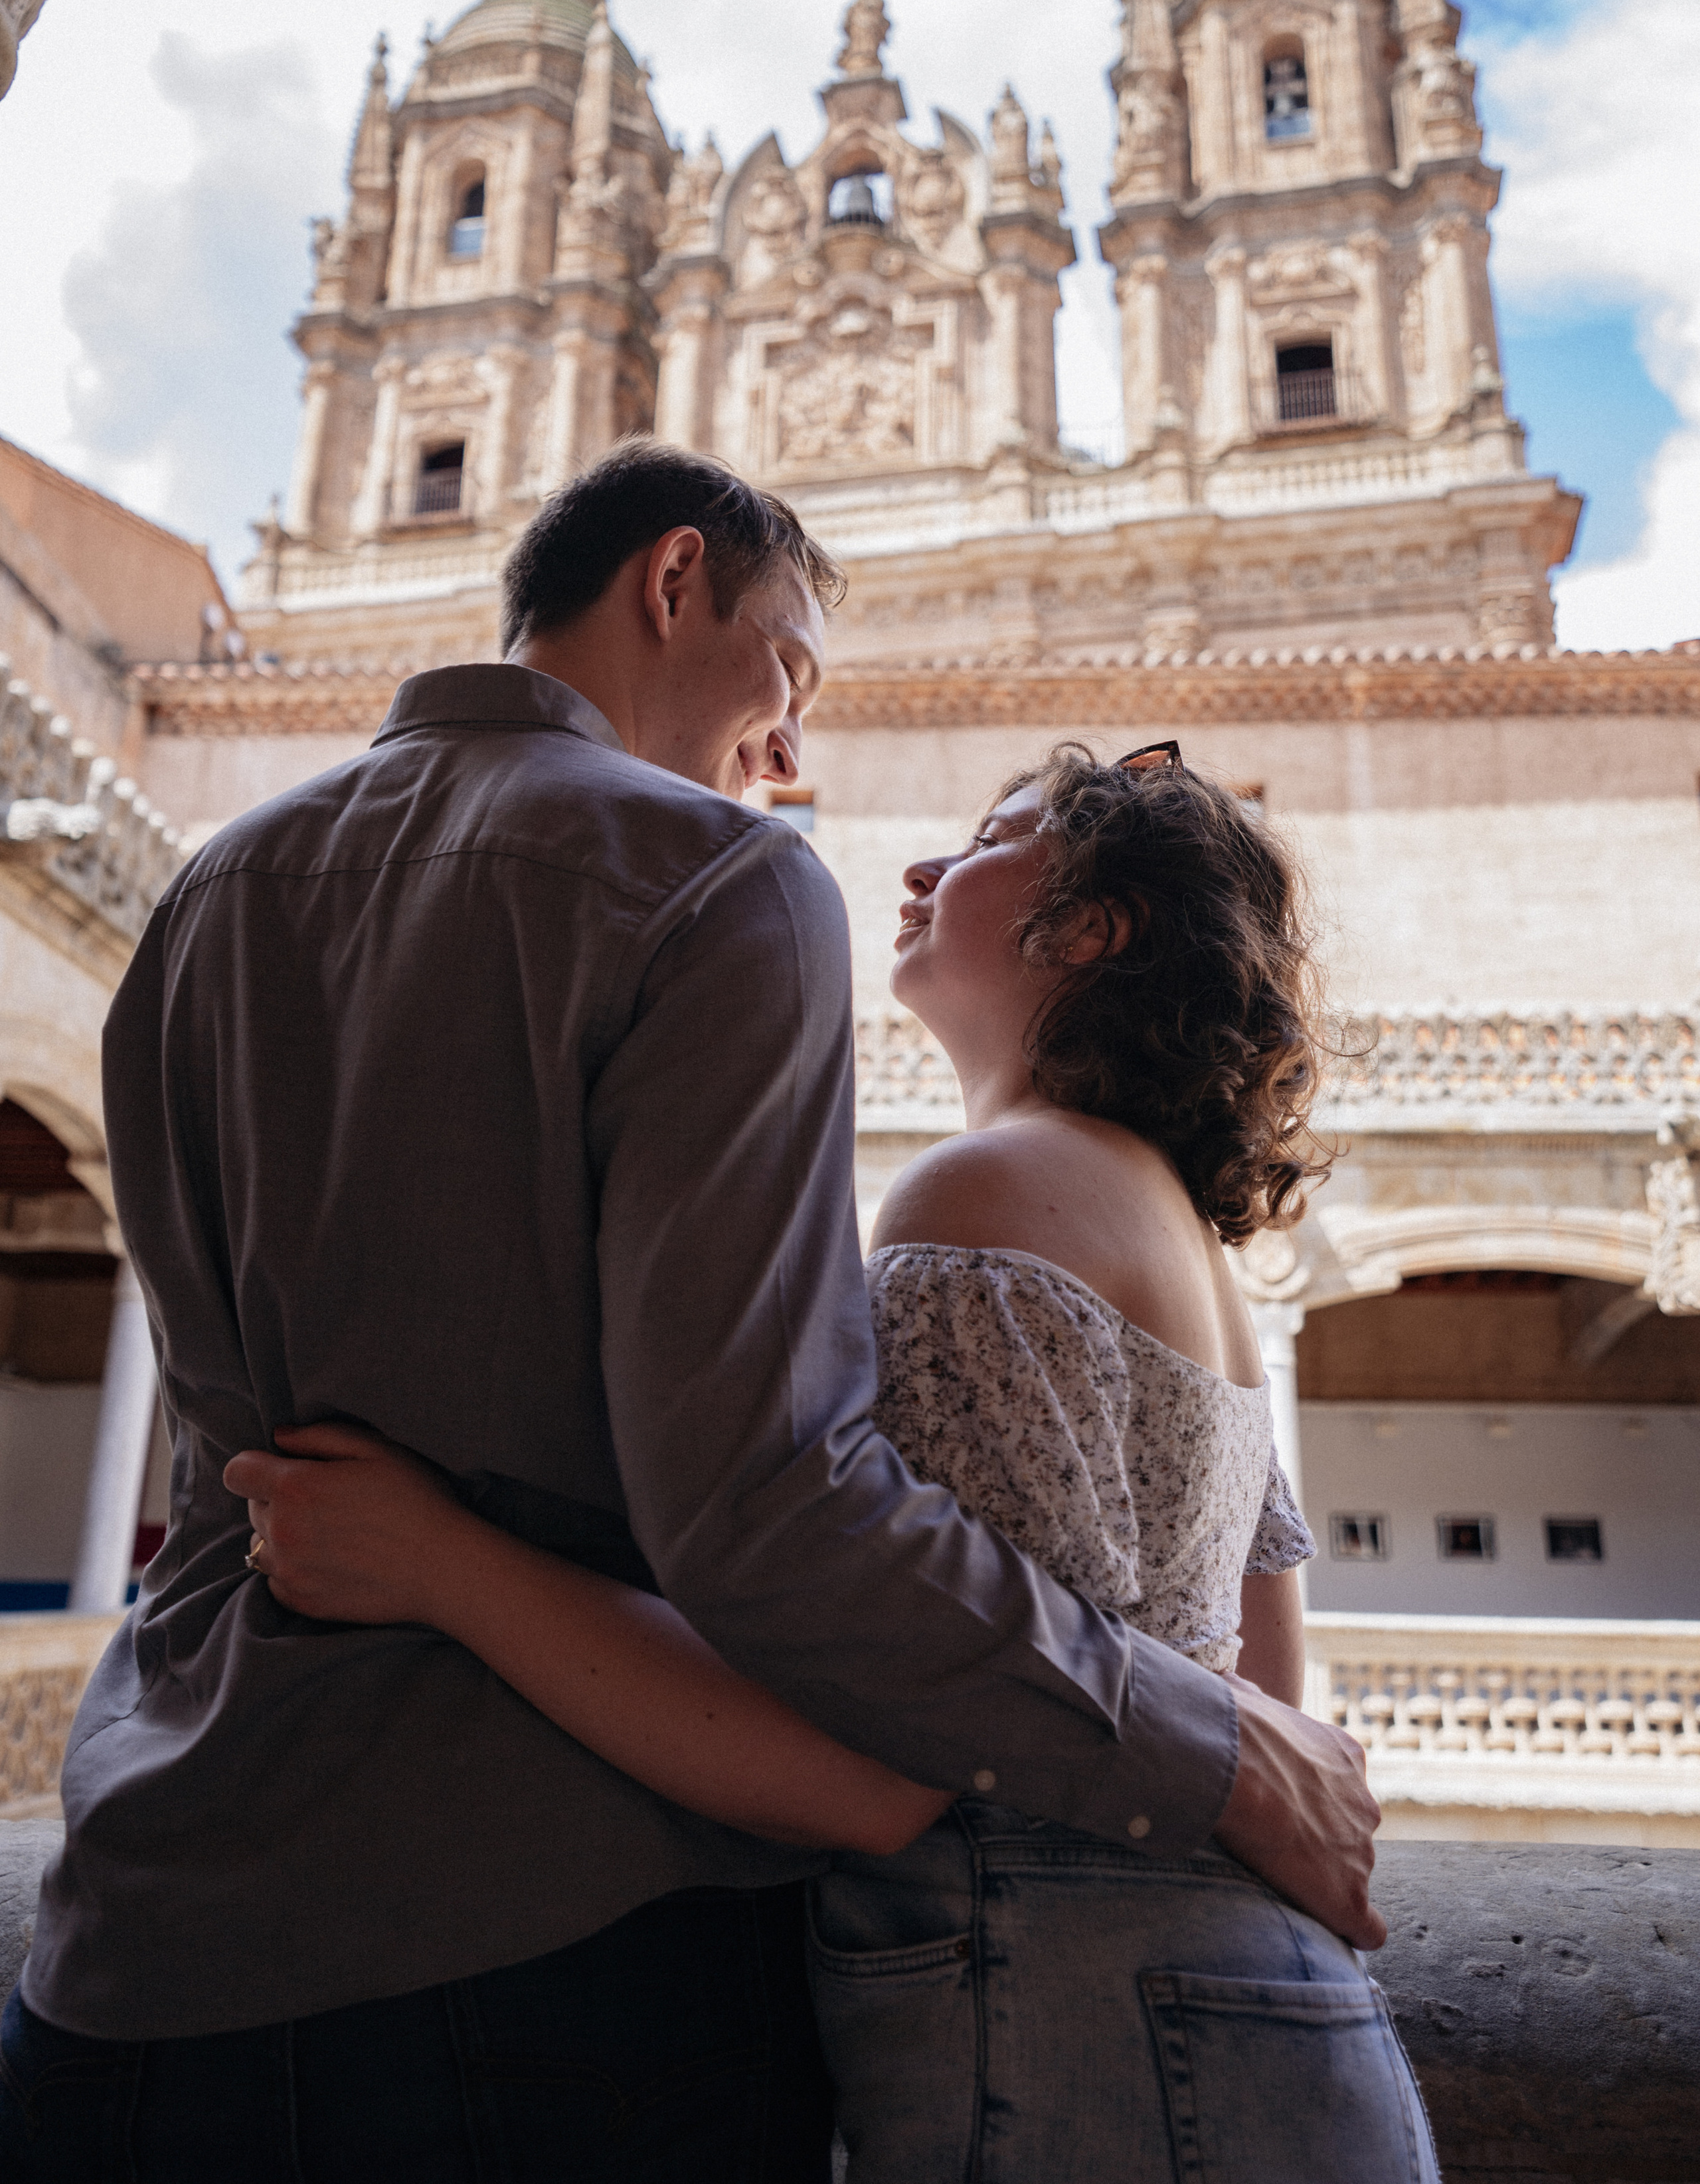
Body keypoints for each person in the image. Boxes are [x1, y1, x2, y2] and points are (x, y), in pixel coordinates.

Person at [2, 440, 1382, 2182]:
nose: (794, 755)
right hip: (543, 1967)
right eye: (789, 669)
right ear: (671, 585)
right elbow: (774, 1519)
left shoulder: (208, 893)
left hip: (133, 1929)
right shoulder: (715, 880)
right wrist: (1218, 1754)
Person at [225, 738, 1438, 2181]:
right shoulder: (1184, 1246)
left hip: (1073, 2019)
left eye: (993, 841)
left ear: (1097, 928)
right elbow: (1265, 1700)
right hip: (1265, 2006)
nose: (925, 867)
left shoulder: (984, 1192)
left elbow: (871, 1770)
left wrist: (440, 1565)